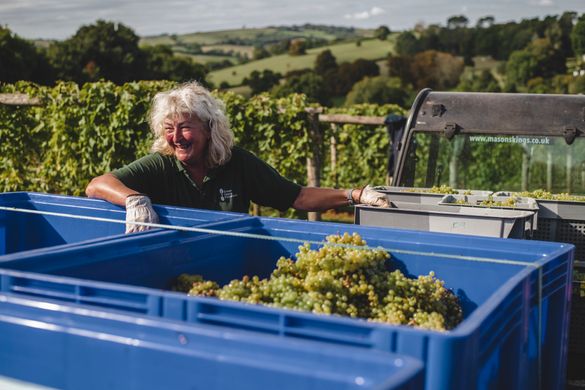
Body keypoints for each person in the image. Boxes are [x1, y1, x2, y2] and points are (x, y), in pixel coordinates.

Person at [85, 81, 389, 233]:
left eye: (185, 128)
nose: (175, 137)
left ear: (208, 129)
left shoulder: (236, 163)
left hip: (229, 262)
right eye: (168, 128)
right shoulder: (161, 164)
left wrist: (356, 194)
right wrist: (134, 199)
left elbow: (298, 196)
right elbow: (98, 184)